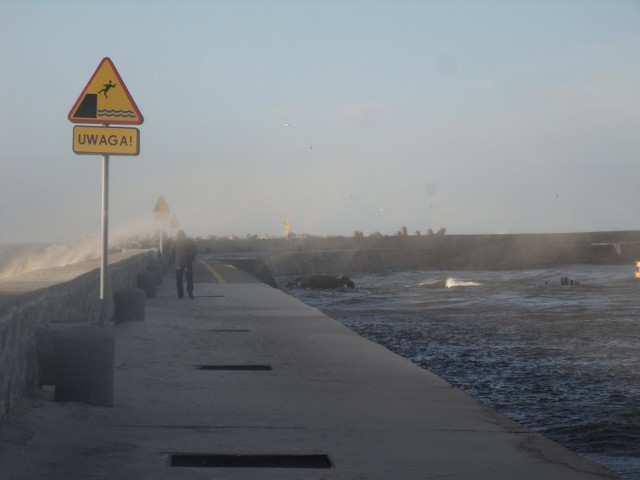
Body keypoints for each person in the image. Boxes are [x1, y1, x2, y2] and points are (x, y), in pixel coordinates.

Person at [170, 230, 197, 299]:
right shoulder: (190, 241)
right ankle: (189, 291)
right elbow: (195, 250)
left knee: (179, 279)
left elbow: (172, 252)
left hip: (178, 262)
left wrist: (172, 260)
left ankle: (180, 294)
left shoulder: (175, 241)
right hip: (188, 262)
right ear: (184, 234)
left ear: (178, 235)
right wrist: (192, 258)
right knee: (189, 278)